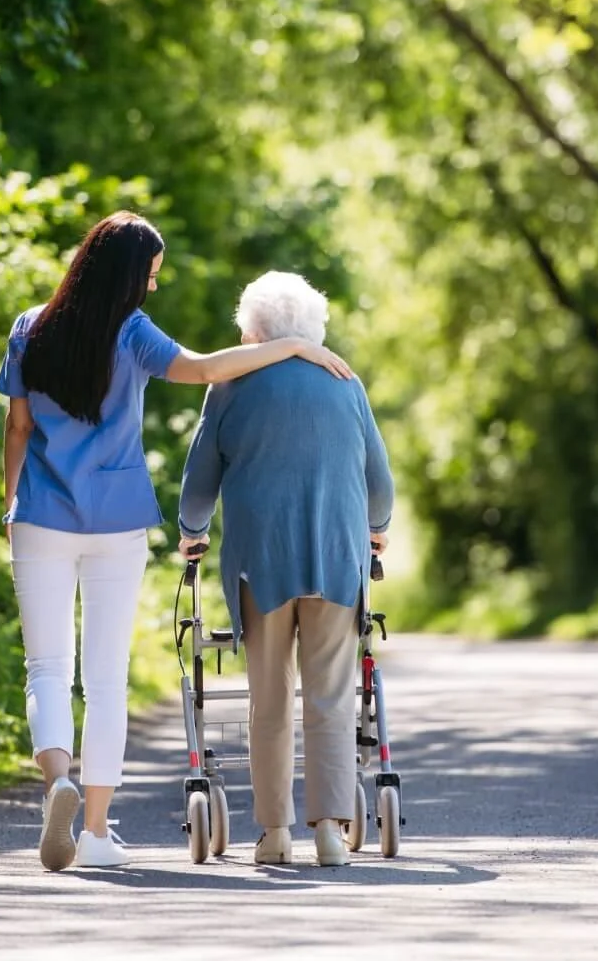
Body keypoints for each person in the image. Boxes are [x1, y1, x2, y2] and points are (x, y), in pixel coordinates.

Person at [0, 213, 353, 872]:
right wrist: (294, 347)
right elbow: (205, 368)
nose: (153, 289)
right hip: (117, 520)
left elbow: (17, 428)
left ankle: (58, 785)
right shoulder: (131, 333)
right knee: (105, 678)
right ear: (128, 276)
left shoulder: (30, 327)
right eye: (151, 276)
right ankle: (96, 832)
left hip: (41, 516)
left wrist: (10, 500)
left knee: (46, 668)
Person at [176, 271, 394, 867]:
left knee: (269, 698)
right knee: (329, 694)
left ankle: (274, 834)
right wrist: (377, 529)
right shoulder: (346, 383)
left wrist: (191, 536)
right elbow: (379, 480)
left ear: (257, 330)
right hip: (335, 555)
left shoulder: (229, 387)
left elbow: (199, 483)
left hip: (260, 564)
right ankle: (329, 830)